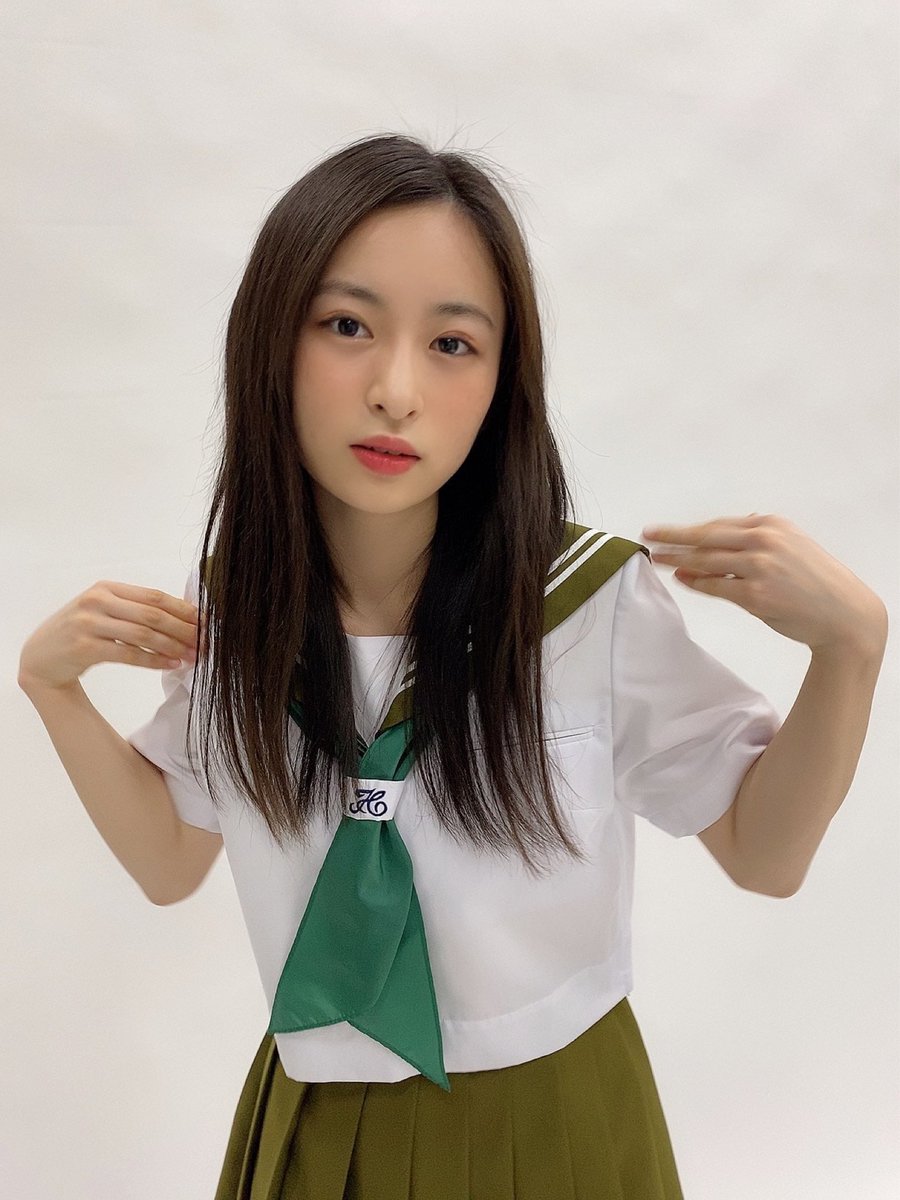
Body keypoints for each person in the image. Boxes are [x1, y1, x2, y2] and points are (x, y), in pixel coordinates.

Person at [18, 133, 888, 1200]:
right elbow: (169, 862)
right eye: (347, 326)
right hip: (316, 1121)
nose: (396, 391)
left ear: (501, 382)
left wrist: (850, 651)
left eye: (452, 343)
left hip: (555, 1121)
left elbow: (765, 854)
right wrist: (52, 691)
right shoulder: (239, 615)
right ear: (269, 343)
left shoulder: (587, 605)